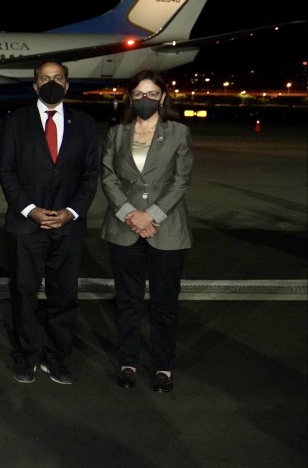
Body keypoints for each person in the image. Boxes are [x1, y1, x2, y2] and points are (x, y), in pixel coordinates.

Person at [0, 60, 99, 385]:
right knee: (24, 295)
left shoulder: (84, 123)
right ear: (35, 86)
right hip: (27, 225)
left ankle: (56, 357)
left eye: (58, 78)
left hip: (69, 226)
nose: (51, 82)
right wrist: (30, 209)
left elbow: (89, 174)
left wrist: (72, 211)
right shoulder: (16, 122)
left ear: (67, 85)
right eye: (45, 78)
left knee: (64, 296)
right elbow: (7, 172)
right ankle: (26, 356)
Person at [101, 69, 192, 393]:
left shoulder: (179, 132)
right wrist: (129, 214)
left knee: (165, 303)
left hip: (166, 228)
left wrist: (150, 215)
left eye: (152, 93)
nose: (145, 99)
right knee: (127, 300)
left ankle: (163, 365)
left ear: (163, 97)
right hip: (124, 228)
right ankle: (128, 360)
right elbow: (109, 176)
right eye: (139, 93)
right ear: (130, 97)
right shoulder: (117, 132)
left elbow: (181, 180)